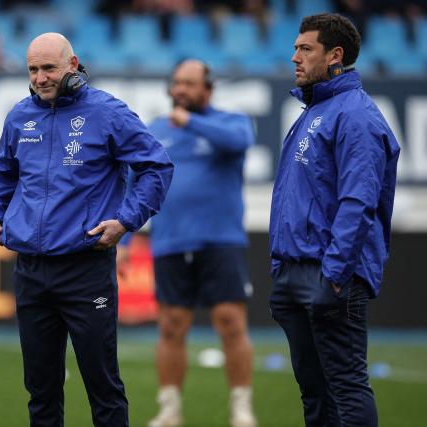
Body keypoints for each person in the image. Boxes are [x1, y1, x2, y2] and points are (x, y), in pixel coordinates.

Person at [0, 32, 173, 427]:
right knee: (41, 390)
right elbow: (3, 172)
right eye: (33, 69)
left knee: (103, 388)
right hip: (31, 272)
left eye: (48, 68)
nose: (40, 78)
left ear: (73, 64)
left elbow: (156, 166)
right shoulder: (19, 116)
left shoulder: (108, 112)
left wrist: (126, 220)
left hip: (86, 270)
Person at [269, 13, 400, 427]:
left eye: (305, 49)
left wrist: (336, 276)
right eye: (295, 48)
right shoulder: (314, 111)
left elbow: (357, 203)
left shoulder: (356, 116)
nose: (295, 58)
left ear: (335, 55)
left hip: (331, 275)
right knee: (315, 393)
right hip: (295, 273)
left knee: (345, 386)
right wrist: (280, 269)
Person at [128, 59, 258, 427]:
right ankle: (169, 409)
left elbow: (241, 141)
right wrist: (124, 244)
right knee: (170, 326)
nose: (181, 89)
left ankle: (241, 409)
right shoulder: (155, 131)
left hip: (220, 240)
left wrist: (192, 123)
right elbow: (132, 183)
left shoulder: (229, 123)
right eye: (177, 83)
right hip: (170, 241)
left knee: (231, 322)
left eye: (190, 83)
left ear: (208, 89)